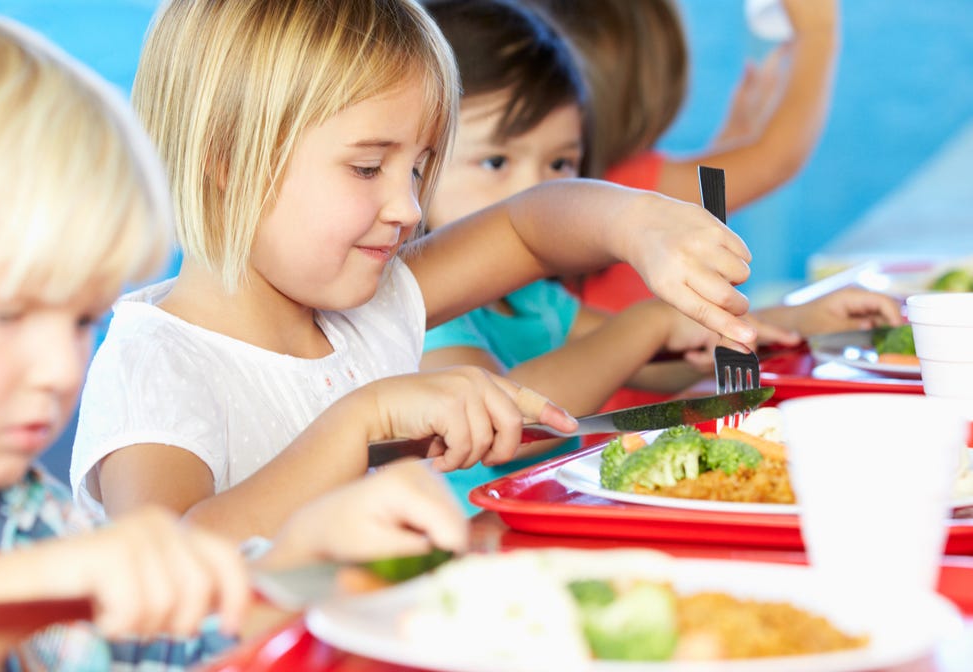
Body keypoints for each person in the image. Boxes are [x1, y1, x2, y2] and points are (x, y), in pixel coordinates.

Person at [0, 5, 471, 670]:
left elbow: (160, 648)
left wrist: (301, 565)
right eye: (5, 314)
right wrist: (29, 589)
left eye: (81, 321)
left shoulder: (18, 506)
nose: (61, 369)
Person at [72, 0, 759, 539]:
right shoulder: (155, 363)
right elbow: (172, 560)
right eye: (368, 167)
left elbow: (528, 228)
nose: (406, 206)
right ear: (226, 159)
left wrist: (637, 224)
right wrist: (360, 421)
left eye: (421, 168)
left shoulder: (366, 309)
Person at [417, 0, 898, 509]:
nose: (534, 188)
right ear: (416, 161)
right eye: (496, 160)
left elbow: (654, 364)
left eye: (560, 162)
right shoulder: (421, 313)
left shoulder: (533, 299)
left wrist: (788, 321)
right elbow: (514, 423)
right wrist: (647, 325)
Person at [525, 0, 841, 312]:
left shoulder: (573, 186)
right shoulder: (625, 188)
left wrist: (733, 142)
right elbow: (776, 160)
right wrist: (817, 33)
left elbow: (699, 198)